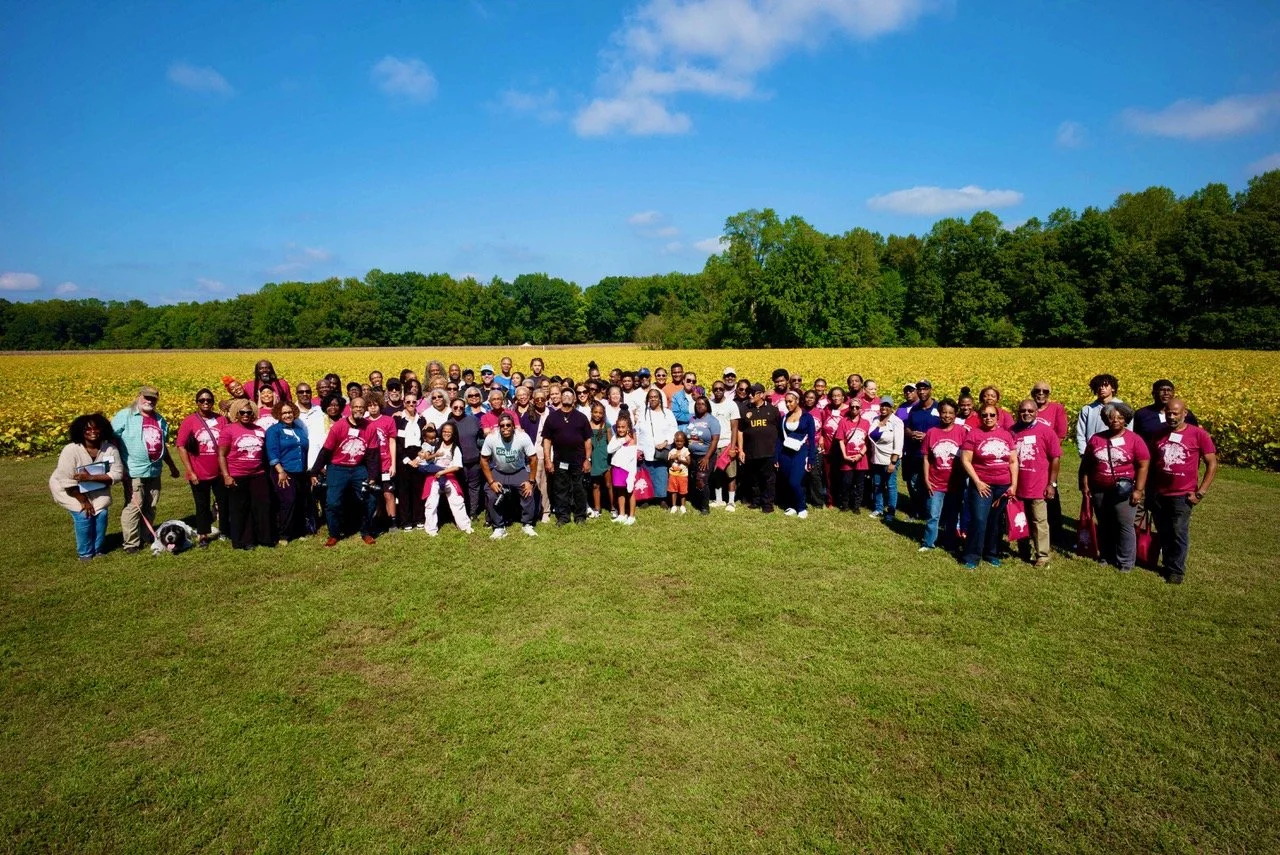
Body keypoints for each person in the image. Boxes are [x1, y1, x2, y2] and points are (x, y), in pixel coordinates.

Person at [1149, 398, 1218, 585]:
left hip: (1182, 494)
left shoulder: (1198, 434)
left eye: (1175, 413)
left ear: (1184, 413)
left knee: (1178, 532)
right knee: (1163, 531)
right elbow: (1151, 463)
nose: (1171, 416)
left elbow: (1211, 463)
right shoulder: (1158, 434)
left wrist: (1201, 492)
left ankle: (1175, 571)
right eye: (1168, 413)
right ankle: (1167, 562)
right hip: (1159, 493)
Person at [1079, 402, 1149, 574]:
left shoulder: (1134, 439)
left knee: (1124, 525)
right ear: (1105, 419)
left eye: (1120, 417)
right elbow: (1086, 464)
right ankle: (1106, 555)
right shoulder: (1097, 439)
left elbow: (1143, 465)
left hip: (1124, 490)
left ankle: (1125, 562)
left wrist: (1138, 490)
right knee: (1104, 524)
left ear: (1126, 419)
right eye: (1111, 417)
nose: (1115, 420)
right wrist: (1084, 483)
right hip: (1099, 488)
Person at [111, 385, 181, 553]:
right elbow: (110, 441)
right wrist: (118, 466)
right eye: (146, 397)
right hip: (133, 470)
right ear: (139, 396)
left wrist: (171, 466)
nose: (149, 401)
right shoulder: (125, 416)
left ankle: (145, 536)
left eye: (153, 398)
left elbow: (161, 445)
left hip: (154, 470)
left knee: (151, 505)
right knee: (135, 506)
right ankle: (131, 544)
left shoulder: (160, 420)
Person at [50, 413, 123, 560]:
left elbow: (117, 474)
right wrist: (84, 501)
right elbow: (66, 481)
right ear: (80, 431)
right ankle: (85, 553)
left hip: (96, 488)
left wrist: (91, 477)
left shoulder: (109, 449)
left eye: (96, 429)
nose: (92, 432)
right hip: (71, 491)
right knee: (84, 515)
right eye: (87, 429)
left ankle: (98, 549)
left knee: (101, 514)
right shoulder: (71, 450)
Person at [311, 395, 381, 547]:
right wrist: (314, 471)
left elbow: (373, 455)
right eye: (355, 407)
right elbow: (326, 450)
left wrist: (373, 476)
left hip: (358, 468)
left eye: (361, 408)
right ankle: (334, 534)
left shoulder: (370, 427)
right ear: (350, 409)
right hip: (337, 468)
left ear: (365, 409)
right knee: (333, 502)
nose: (358, 410)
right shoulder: (339, 426)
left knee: (370, 499)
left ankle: (366, 532)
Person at [959, 404, 1019, 570]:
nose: (988, 418)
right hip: (982, 485)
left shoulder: (1006, 435)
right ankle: (972, 555)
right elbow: (965, 460)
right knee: (979, 519)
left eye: (992, 415)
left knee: (995, 521)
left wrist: (1013, 484)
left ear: (997, 416)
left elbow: (1013, 461)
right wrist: (977, 481)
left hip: (1002, 486)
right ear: (980, 416)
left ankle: (991, 553)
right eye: (984, 415)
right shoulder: (974, 434)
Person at [217, 399, 274, 550]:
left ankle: (264, 537)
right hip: (237, 475)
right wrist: (226, 476)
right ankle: (244, 540)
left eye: (249, 412)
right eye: (242, 412)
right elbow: (221, 455)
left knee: (262, 506)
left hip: (258, 473)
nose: (246, 415)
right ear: (237, 413)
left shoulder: (260, 430)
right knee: (241, 509)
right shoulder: (228, 430)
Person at [1012, 398, 1062, 567]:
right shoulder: (1012, 431)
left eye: (1030, 411)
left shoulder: (1046, 431)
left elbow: (1055, 458)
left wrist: (1051, 484)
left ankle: (1042, 555)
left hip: (1038, 485)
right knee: (1020, 519)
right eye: (1023, 411)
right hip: (1018, 484)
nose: (1026, 414)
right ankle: (1023, 549)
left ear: (1036, 412)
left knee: (1039, 521)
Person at [175, 389, 227, 547]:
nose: (206, 403)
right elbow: (181, 446)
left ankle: (225, 530)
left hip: (219, 471)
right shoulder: (189, 421)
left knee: (224, 502)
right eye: (202, 400)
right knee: (201, 504)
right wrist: (190, 471)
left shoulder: (221, 420)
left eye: (209, 400)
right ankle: (203, 534)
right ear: (197, 402)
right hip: (199, 471)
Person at [480, 413, 540, 538]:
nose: (505, 428)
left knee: (528, 491)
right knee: (491, 493)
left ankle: (527, 524)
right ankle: (498, 526)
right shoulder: (491, 438)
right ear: (498, 427)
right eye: (502, 426)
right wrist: (491, 482)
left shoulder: (522, 437)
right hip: (499, 471)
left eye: (508, 425)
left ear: (513, 426)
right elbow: (483, 460)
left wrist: (531, 481)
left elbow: (533, 459)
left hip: (518, 470)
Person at [542, 388, 593, 525]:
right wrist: (548, 460)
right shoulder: (552, 417)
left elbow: (588, 440)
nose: (566, 397)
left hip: (578, 460)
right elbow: (547, 440)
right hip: (560, 461)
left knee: (579, 489)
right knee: (561, 489)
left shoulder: (581, 417)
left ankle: (580, 516)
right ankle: (563, 516)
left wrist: (587, 459)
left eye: (570, 395)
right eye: (564, 395)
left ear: (574, 399)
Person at [920, 400, 965, 552]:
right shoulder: (932, 432)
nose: (947, 416)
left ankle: (950, 543)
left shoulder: (962, 432)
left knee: (952, 516)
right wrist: (926, 478)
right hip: (935, 482)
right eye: (944, 412)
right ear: (939, 413)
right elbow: (926, 458)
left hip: (955, 482)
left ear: (955, 415)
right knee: (933, 515)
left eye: (950, 413)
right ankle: (928, 542)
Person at [265, 399, 312, 543]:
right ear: (278, 414)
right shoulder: (273, 431)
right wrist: (280, 471)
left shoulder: (298, 429)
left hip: (300, 471)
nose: (287, 415)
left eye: (290, 412)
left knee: (299, 501)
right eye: (284, 413)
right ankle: (284, 534)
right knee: (288, 501)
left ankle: (299, 531)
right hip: (284, 472)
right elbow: (272, 452)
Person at [1029, 381, 1069, 544]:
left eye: (1045, 391)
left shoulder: (1056, 409)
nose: (1041, 393)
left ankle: (1056, 532)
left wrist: (1049, 452)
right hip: (1030, 459)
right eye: (1037, 391)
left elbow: (1061, 434)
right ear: (1032, 393)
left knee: (1051, 493)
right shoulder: (1028, 407)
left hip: (1048, 459)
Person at [418, 421, 472, 536]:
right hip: (433, 476)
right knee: (431, 503)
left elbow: (457, 467)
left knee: (457, 501)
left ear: (453, 434)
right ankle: (431, 529)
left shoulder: (455, 448)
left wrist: (442, 471)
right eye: (444, 431)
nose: (446, 434)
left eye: (449, 432)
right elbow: (426, 457)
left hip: (448, 475)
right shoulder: (436, 444)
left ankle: (464, 526)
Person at [902, 380, 941, 521]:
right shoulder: (915, 409)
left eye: (925, 389)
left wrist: (928, 436)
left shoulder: (939, 408)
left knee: (930, 484)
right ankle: (916, 511)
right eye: (919, 389)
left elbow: (945, 429)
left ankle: (931, 513)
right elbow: (907, 428)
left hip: (934, 455)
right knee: (913, 483)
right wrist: (911, 434)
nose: (922, 392)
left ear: (931, 389)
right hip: (916, 453)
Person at [738, 384, 780, 513]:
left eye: (753, 393)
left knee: (768, 479)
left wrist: (777, 452)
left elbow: (779, 430)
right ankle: (756, 501)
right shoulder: (745, 409)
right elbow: (740, 430)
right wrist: (741, 450)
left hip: (768, 451)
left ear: (761, 394)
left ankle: (767, 503)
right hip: (751, 451)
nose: (749, 395)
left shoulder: (773, 410)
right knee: (754, 479)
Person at [776, 390, 817, 518]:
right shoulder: (784, 418)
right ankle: (792, 505)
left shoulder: (807, 417)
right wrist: (776, 457)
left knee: (795, 481)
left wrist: (811, 458)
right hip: (785, 453)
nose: (788, 404)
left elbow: (812, 438)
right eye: (786, 402)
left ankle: (801, 507)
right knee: (788, 481)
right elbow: (779, 439)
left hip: (800, 452)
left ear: (797, 401)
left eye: (790, 401)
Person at [448, 394, 485, 520]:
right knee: (460, 488)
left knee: (474, 487)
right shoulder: (448, 424)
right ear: (451, 408)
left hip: (474, 460)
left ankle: (473, 512)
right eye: (455, 407)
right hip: (457, 463)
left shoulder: (473, 420)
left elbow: (481, 436)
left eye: (461, 407)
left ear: (465, 408)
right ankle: (461, 512)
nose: (458, 409)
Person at [637, 388, 677, 504]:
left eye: (655, 397)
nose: (653, 399)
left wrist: (666, 442)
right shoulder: (643, 413)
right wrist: (638, 449)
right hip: (646, 448)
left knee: (661, 473)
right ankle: (647, 497)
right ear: (648, 399)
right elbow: (638, 431)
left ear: (660, 399)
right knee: (647, 472)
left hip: (662, 449)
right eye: (651, 397)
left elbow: (674, 430)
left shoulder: (667, 413)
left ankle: (661, 498)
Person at [868, 396, 904, 522]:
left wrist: (893, 462)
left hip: (889, 459)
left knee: (891, 485)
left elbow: (898, 445)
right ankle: (878, 508)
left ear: (891, 408)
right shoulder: (875, 419)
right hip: (876, 458)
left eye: (887, 406)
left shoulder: (897, 422)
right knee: (877, 484)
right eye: (882, 405)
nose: (884, 408)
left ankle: (891, 512)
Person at [1134, 379, 1199, 448]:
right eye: (1162, 390)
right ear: (1153, 394)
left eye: (1169, 390)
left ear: (1173, 393)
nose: (1166, 393)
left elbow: (1195, 435)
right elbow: (1135, 438)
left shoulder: (1185, 414)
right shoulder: (1141, 414)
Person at [364, 395, 398, 528]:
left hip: (385, 463)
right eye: (370, 405)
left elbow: (392, 442)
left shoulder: (388, 420)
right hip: (370, 465)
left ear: (380, 406)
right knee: (372, 494)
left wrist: (393, 464)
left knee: (388, 493)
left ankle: (393, 522)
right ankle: (374, 520)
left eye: (375, 405)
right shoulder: (364, 422)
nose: (373, 407)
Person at [684, 396, 721, 515]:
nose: (700, 406)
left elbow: (715, 441)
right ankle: (697, 501)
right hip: (693, 455)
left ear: (707, 406)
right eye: (697, 404)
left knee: (702, 480)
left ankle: (705, 507)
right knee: (695, 479)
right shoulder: (692, 419)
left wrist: (706, 458)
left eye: (702, 404)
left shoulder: (712, 421)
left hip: (705, 455)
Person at [833, 399, 870, 513]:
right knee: (846, 482)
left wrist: (860, 454)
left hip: (861, 458)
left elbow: (867, 442)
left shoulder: (866, 423)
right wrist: (844, 455)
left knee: (859, 483)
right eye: (852, 407)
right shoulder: (844, 422)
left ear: (861, 409)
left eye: (857, 407)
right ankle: (845, 504)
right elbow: (840, 440)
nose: (854, 409)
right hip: (847, 457)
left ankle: (856, 505)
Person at [708, 381, 741, 510]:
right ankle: (719, 499)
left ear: (724, 390)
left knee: (730, 474)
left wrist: (733, 447)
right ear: (712, 390)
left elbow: (735, 428)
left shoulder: (731, 405)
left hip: (727, 444)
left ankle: (731, 501)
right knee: (717, 474)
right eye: (715, 389)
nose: (718, 391)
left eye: (720, 389)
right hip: (713, 445)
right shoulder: (709, 404)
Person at [1076, 373, 1124, 454]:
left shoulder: (1122, 407)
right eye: (1099, 386)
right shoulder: (1087, 409)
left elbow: (1129, 431)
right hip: (1093, 452)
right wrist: (1083, 453)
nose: (1102, 388)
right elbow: (1081, 433)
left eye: (1105, 385)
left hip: (1118, 451)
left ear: (1113, 388)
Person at [608, 414, 640, 525]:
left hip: (627, 470)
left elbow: (632, 460)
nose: (620, 429)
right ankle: (621, 514)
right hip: (617, 469)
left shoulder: (631, 440)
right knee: (620, 491)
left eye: (623, 427)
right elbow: (609, 449)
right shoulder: (615, 438)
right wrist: (621, 441)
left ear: (628, 428)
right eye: (619, 427)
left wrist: (632, 475)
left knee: (630, 492)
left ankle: (631, 516)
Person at [588, 402, 613, 516]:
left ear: (603, 414)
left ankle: (613, 507)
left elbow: (611, 443)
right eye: (595, 412)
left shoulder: (606, 426)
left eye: (600, 413)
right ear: (591, 412)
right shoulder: (587, 426)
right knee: (595, 485)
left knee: (609, 484)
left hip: (605, 458)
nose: (598, 415)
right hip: (593, 458)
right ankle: (597, 509)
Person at [668, 432, 691, 514]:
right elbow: (669, 460)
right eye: (677, 441)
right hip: (673, 475)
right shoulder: (672, 451)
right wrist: (673, 457)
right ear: (675, 441)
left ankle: (683, 506)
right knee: (673, 491)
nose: (679, 443)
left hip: (683, 475)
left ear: (684, 441)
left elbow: (688, 462)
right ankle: (673, 506)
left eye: (681, 441)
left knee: (683, 491)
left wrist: (680, 460)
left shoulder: (686, 451)